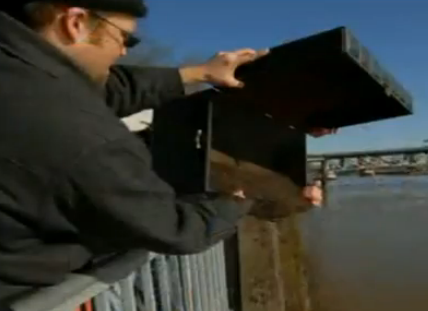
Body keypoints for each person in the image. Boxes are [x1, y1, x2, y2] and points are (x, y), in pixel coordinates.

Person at [0, 0, 334, 305]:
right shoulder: (84, 136)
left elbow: (106, 88)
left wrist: (202, 73)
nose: (124, 53)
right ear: (75, 23)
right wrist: (247, 197)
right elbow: (174, 228)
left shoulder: (20, 67)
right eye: (125, 39)